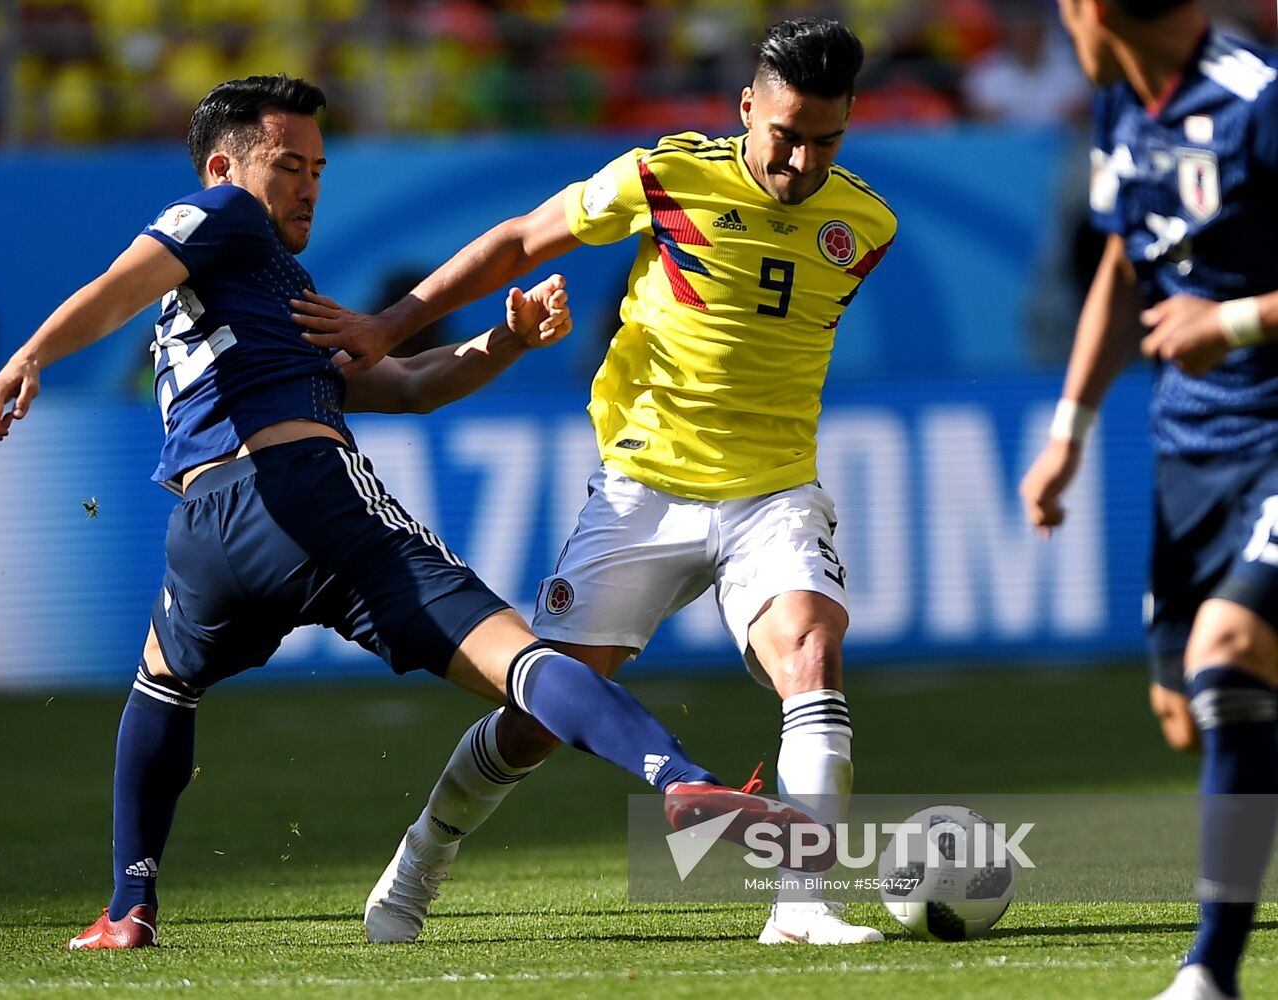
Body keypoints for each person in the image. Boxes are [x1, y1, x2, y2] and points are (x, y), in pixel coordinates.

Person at [0, 73, 814, 951]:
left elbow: (408, 384)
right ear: (224, 168)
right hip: (309, 491)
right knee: (518, 660)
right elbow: (118, 281)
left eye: (320, 169)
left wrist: (508, 339)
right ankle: (678, 779)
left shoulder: (259, 291)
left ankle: (128, 907)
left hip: (208, 528)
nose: (308, 185)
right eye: (288, 165)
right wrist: (31, 355)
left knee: (162, 682)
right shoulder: (224, 216)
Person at [293, 18, 896, 947]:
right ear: (747, 108)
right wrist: (393, 322)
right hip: (643, 489)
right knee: (540, 714)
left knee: (811, 651)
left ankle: (803, 906)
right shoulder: (665, 177)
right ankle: (420, 860)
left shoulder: (865, 224)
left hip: (773, 491)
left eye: (827, 139)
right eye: (786, 134)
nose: (803, 160)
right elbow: (522, 240)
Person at [1017, 3, 1278, 998]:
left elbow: (1220, 315)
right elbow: (1124, 266)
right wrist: (1065, 435)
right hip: (1188, 450)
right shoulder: (1119, 102)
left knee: (1228, 658)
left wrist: (1241, 320)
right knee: (1187, 714)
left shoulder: (1257, 102)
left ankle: (1206, 972)